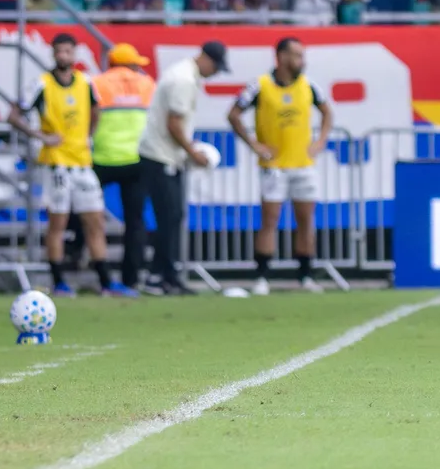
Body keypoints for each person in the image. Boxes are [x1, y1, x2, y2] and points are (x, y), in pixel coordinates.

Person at [9, 34, 134, 297]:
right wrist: (41, 137)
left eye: (68, 51)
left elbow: (96, 109)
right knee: (59, 223)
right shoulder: (41, 84)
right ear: (53, 54)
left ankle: (106, 281)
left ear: (74, 54)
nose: (64, 56)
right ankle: (59, 280)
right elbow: (13, 115)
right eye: (60, 52)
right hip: (56, 164)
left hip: (82, 162)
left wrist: (88, 136)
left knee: (95, 221)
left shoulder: (86, 83)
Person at [228, 37, 333, 295]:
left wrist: (320, 141)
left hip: (303, 164)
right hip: (273, 165)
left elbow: (328, 112)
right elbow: (234, 114)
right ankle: (262, 277)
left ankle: (305, 275)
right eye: (297, 55)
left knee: (306, 219)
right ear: (282, 57)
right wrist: (254, 144)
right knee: (270, 220)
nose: (301, 61)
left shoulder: (309, 86)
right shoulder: (260, 85)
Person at [138, 41, 229, 296]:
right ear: (206, 58)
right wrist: (193, 153)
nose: (216, 73)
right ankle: (161, 276)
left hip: (166, 155)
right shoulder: (184, 80)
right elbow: (174, 124)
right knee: (169, 217)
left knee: (172, 217)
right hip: (160, 155)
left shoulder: (183, 74)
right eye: (217, 67)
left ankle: (165, 275)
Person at [91, 43, 155, 290]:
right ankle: (131, 278)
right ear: (129, 64)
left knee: (84, 213)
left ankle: (78, 254)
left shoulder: (96, 83)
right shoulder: (147, 83)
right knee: (135, 222)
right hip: (136, 160)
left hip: (102, 158)